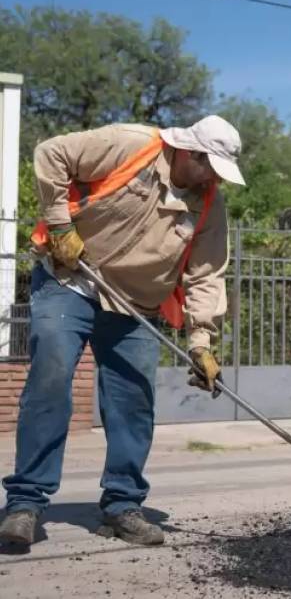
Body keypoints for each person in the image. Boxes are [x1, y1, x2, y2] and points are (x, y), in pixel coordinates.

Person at [0, 116, 245, 547]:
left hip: (135, 305)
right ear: (190, 153)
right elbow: (50, 153)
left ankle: (121, 505)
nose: (213, 180)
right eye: (210, 167)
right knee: (51, 380)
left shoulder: (210, 203)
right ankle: (25, 502)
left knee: (134, 400)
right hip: (70, 281)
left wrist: (201, 342)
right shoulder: (131, 145)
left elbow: (207, 275)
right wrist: (59, 225)